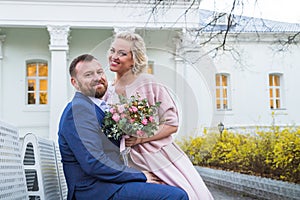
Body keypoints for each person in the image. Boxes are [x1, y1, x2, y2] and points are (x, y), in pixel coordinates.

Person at [58, 54, 189, 200]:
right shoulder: (78, 110)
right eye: (88, 74)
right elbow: (94, 162)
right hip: (96, 191)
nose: (97, 77)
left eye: (99, 72)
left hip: (107, 185)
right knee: (177, 196)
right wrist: (139, 176)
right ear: (75, 83)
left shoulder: (94, 107)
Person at [104, 31, 214, 200]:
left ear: (135, 59)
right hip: (127, 161)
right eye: (112, 50)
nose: (114, 56)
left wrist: (141, 139)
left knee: (189, 195)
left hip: (158, 155)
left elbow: (172, 123)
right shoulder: (107, 92)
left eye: (122, 53)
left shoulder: (149, 83)